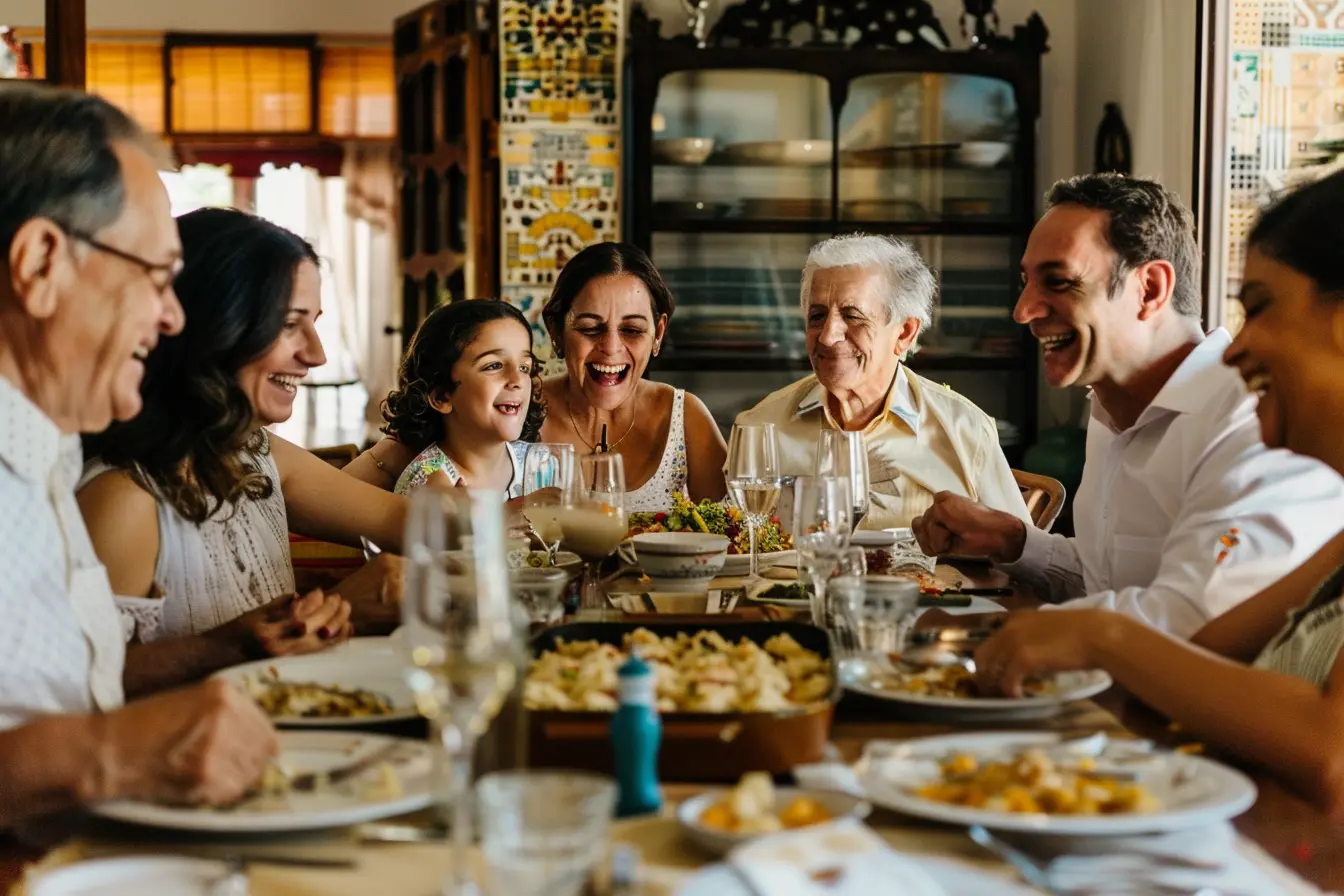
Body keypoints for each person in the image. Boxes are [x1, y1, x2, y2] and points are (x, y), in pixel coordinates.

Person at [973, 169, 1344, 815]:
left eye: (1258, 307)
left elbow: (1331, 755)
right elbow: (1211, 643)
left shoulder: (1239, 421)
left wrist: (1098, 637)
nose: (1236, 348)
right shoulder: (1110, 410)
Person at [0, 82, 275, 823]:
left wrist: (220, 650)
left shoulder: (45, 452)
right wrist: (106, 755)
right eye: (156, 275)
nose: (174, 315)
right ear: (41, 264)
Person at [913, 174, 1344, 637]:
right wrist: (1016, 543)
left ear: (1150, 289)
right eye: (1026, 282)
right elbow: (1112, 586)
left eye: (1057, 282)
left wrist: (982, 630)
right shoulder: (1110, 410)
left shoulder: (1257, 420)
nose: (1023, 311)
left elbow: (1192, 622)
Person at [77, 208, 407, 673]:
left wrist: (511, 517)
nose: (316, 354)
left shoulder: (252, 452)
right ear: (213, 325)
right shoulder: (123, 498)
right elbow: (86, 686)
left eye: (314, 322)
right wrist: (336, 608)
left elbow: (401, 519)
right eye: (289, 324)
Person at [349, 243, 727, 512]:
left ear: (658, 334)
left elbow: (737, 535)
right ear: (556, 331)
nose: (611, 349)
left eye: (632, 330)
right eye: (590, 328)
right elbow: (422, 469)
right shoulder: (513, 411)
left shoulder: (685, 416)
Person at [734, 234, 1029, 528]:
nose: (827, 336)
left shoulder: (965, 431)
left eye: (852, 316)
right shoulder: (761, 426)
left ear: (904, 334)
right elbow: (732, 540)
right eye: (817, 316)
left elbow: (1016, 549)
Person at [376, 300, 543, 497]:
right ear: (442, 397)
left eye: (524, 367)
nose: (517, 380)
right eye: (494, 366)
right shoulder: (431, 475)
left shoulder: (540, 462)